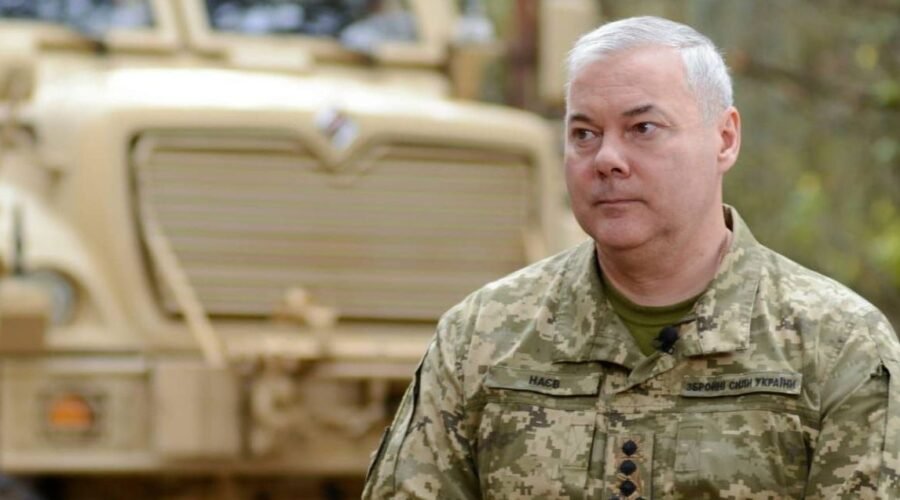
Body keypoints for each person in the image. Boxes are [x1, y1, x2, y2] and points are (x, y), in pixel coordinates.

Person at [362, 15, 900, 499]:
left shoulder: (836, 346)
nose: (607, 159)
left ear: (725, 139)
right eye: (584, 134)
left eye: (643, 128)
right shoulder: (481, 337)